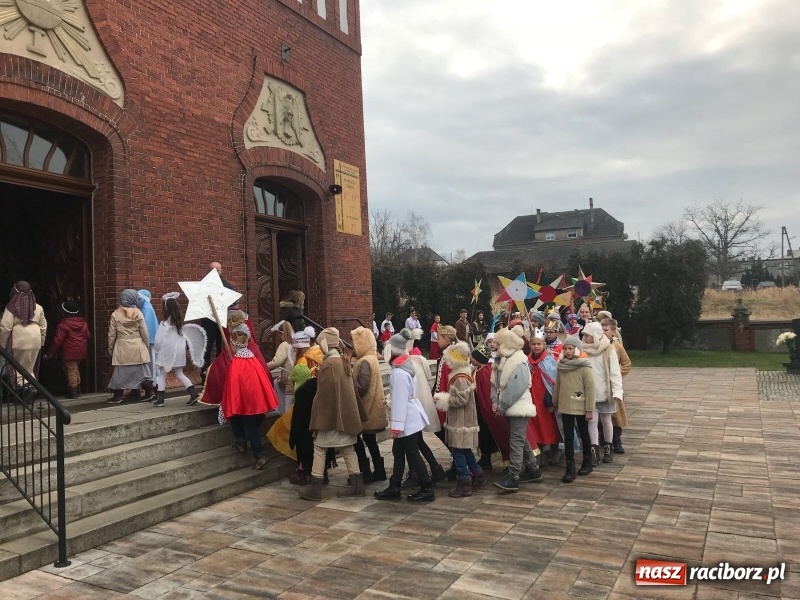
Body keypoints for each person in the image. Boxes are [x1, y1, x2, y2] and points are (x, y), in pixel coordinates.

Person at [300, 328, 366, 501]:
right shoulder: (343, 361)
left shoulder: (329, 364)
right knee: (347, 448)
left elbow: (323, 396)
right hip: (344, 416)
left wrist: (317, 419)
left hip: (330, 418)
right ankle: (357, 485)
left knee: (319, 449)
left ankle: (315, 490)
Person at [374, 331, 434, 503]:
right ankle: (395, 486)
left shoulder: (399, 373)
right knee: (399, 451)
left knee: (412, 453)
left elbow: (399, 402)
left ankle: (427, 488)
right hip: (410, 416)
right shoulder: (402, 367)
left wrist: (396, 426)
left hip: (407, 419)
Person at [492, 324, 542, 492]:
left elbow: (516, 387)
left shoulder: (518, 361)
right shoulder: (502, 359)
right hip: (508, 405)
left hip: (518, 406)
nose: (495, 345)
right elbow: (495, 383)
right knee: (520, 438)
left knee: (516, 440)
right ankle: (533, 469)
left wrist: (502, 405)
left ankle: (513, 476)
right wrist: (495, 401)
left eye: (499, 342)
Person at [222, 324, 278, 470]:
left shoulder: (236, 363)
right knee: (238, 418)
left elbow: (232, 384)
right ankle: (240, 441)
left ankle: (260, 454)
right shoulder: (253, 359)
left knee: (248, 425)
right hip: (254, 399)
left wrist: (229, 400)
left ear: (234, 345)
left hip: (244, 401)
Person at [434, 341, 484, 498]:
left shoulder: (460, 377)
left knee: (458, 451)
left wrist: (444, 400)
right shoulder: (461, 373)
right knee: (464, 449)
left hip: (461, 421)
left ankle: (464, 482)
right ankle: (477, 474)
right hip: (461, 420)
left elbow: (462, 400)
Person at [552, 335, 596, 481]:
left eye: (570, 348)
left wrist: (589, 409)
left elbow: (590, 389)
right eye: (565, 348)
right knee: (568, 436)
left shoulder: (585, 367)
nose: (567, 351)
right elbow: (557, 386)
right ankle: (570, 466)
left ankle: (587, 461)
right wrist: (554, 403)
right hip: (565, 406)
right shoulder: (561, 366)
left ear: (577, 349)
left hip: (581, 406)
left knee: (584, 433)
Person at [153, 293, 206, 407]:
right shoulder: (179, 325)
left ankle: (160, 399)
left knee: (163, 373)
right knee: (179, 373)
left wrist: (157, 350)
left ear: (166, 309)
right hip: (179, 351)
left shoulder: (164, 324)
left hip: (167, 352)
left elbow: (158, 340)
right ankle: (193, 393)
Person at [351, 326, 389, 483]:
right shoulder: (371, 358)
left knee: (356, 439)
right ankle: (379, 471)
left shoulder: (364, 361)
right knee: (371, 441)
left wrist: (348, 389)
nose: (352, 346)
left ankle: (365, 472)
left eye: (354, 342)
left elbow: (361, 386)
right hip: (372, 408)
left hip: (365, 409)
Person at [581, 322, 623, 466]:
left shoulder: (608, 350)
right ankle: (594, 450)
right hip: (590, 393)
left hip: (605, 392)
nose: (584, 337)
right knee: (592, 422)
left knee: (606, 420)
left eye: (587, 335)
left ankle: (608, 447)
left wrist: (617, 391)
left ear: (595, 336)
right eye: (584, 335)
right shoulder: (583, 350)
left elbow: (615, 372)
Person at [106, 289, 154, 404]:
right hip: (138, 346)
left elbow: (111, 335)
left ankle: (118, 396)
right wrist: (146, 345)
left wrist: (111, 348)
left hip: (122, 346)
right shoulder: (138, 313)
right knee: (142, 372)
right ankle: (149, 392)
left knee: (120, 373)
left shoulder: (115, 314)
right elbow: (144, 332)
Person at [0, 281, 47, 395]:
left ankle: (25, 389)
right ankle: (31, 387)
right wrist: (41, 341)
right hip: (35, 339)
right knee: (29, 367)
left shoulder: (11, 308)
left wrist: (2, 345)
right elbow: (43, 327)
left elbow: (5, 327)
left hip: (19, 340)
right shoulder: (38, 307)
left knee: (16, 367)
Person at [528, 329, 561, 465]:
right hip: (532, 399)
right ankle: (538, 455)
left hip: (545, 399)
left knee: (550, 426)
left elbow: (554, 380)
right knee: (534, 427)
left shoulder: (549, 360)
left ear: (544, 345)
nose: (536, 347)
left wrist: (551, 400)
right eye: (533, 344)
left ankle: (555, 450)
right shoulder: (527, 361)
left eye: (539, 344)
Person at [44, 300, 89, 399]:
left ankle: (73, 391)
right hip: (81, 350)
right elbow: (88, 335)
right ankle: (78, 389)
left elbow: (57, 341)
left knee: (71, 370)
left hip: (69, 351)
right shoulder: (83, 323)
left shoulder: (63, 325)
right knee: (75, 369)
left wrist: (49, 353)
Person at [601, 317, 631, 454]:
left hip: (613, 385)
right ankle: (603, 438)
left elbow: (626, 363)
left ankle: (616, 439)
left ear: (613, 332)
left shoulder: (617, 346)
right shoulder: (597, 345)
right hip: (600, 385)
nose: (603, 332)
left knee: (616, 415)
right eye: (601, 330)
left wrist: (617, 373)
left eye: (606, 330)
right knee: (601, 413)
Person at [200, 261, 233, 382]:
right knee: (207, 347)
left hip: (223, 321)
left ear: (221, 271)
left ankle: (220, 373)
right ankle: (204, 374)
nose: (215, 272)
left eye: (217, 270)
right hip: (208, 321)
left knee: (222, 347)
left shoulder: (227, 286)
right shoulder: (203, 286)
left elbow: (232, 302)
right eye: (212, 270)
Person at [267, 321, 295, 415]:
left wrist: (264, 367)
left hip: (288, 380)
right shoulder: (296, 343)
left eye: (279, 334)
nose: (279, 336)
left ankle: (282, 413)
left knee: (288, 410)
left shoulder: (284, 345)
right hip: (296, 377)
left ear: (282, 333)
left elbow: (276, 362)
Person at [137, 289, 159, 379]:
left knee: (151, 361)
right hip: (150, 340)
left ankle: (153, 380)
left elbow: (147, 327)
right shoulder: (146, 308)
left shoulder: (146, 309)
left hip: (149, 341)